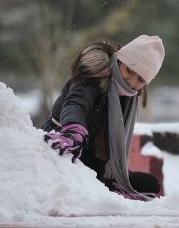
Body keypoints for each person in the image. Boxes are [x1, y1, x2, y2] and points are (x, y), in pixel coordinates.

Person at [42, 35, 165, 201]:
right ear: (121, 61)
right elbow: (76, 103)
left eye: (140, 79)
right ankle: (103, 187)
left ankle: (110, 182)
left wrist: (117, 172)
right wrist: (73, 128)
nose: (131, 81)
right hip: (66, 142)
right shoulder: (94, 77)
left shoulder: (127, 97)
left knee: (150, 184)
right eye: (130, 70)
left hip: (96, 158)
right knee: (86, 177)